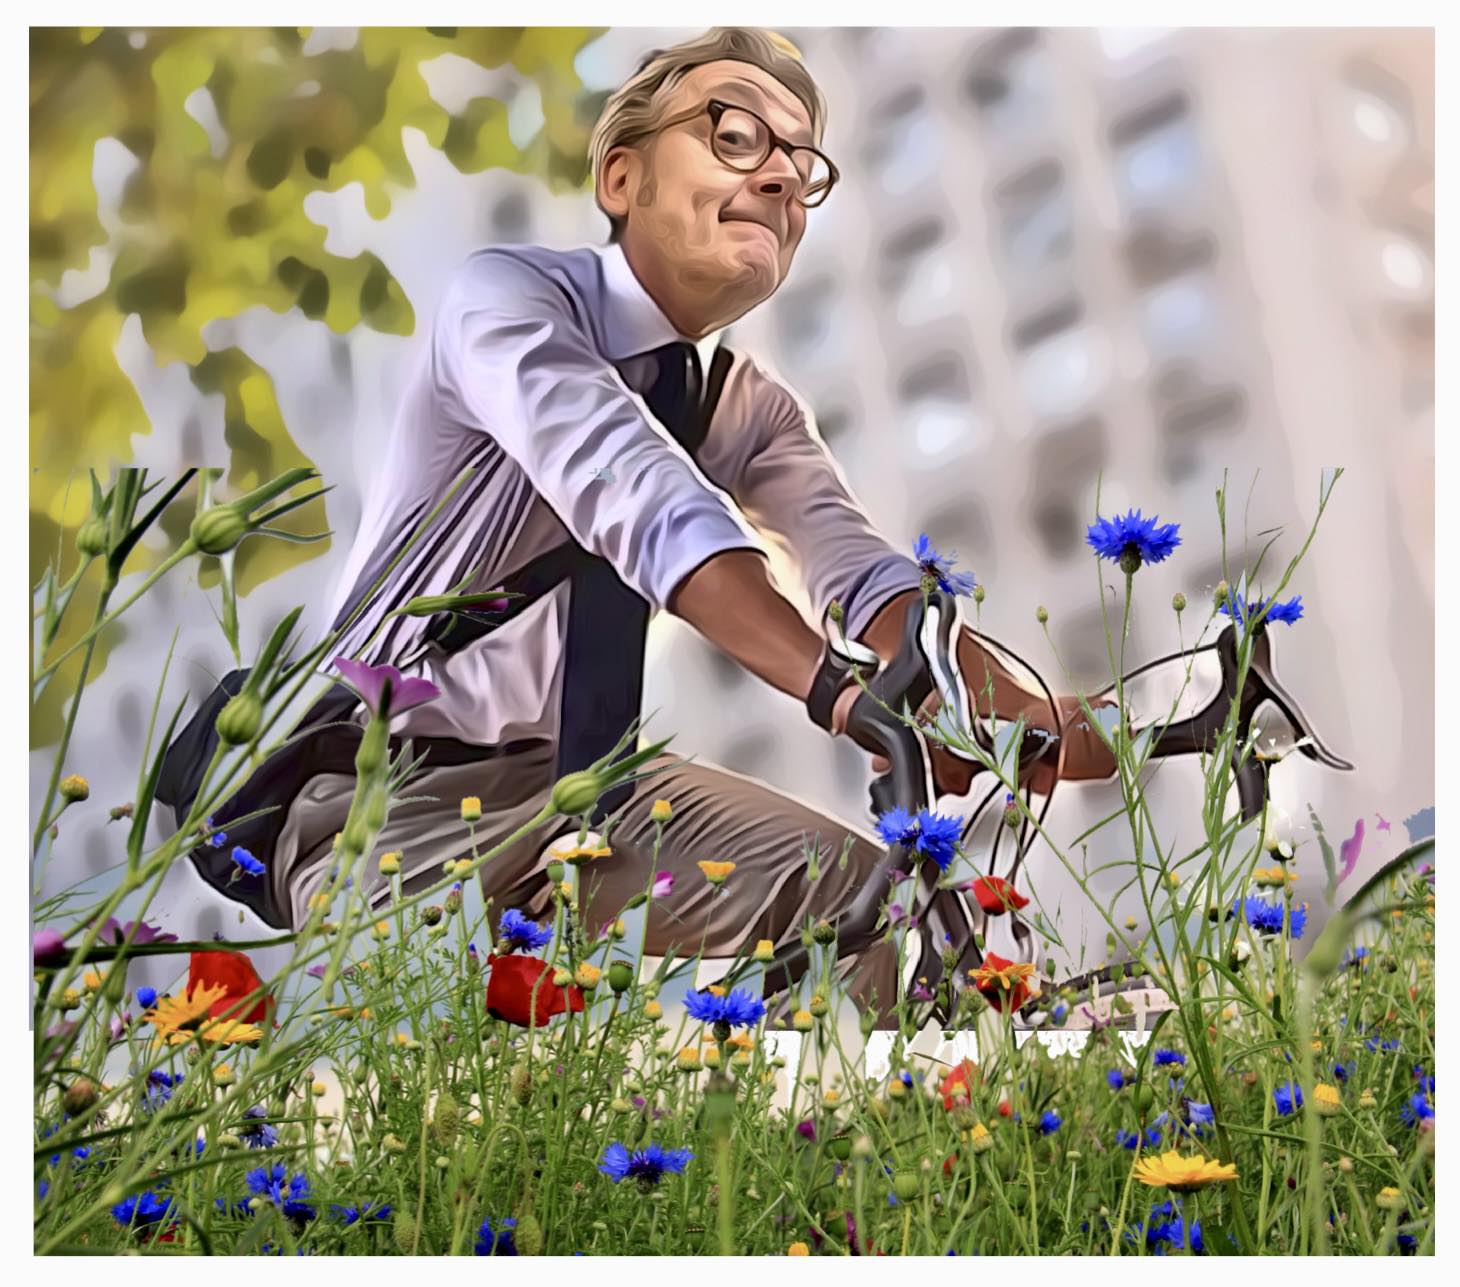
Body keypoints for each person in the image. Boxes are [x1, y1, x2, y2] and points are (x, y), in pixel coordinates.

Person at [160, 27, 1117, 1024]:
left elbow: (867, 579)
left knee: (868, 904)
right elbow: (638, 497)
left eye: (801, 168)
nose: (780, 179)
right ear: (622, 177)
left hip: (586, 791)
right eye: (736, 136)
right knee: (427, 1089)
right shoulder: (506, 303)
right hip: (385, 798)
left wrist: (1037, 719)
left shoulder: (748, 409)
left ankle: (935, 1100)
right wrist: (843, 695)